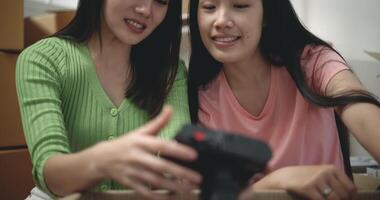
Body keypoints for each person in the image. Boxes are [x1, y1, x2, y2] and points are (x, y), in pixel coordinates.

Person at [186, 0, 380, 199]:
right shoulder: (201, 96)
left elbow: (356, 105)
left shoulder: (313, 62)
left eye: (240, 5)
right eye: (209, 7)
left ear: (266, 15)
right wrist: (278, 180)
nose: (221, 21)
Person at [16, 0, 201, 199]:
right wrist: (100, 162)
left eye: (161, 1)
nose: (146, 10)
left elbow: (176, 159)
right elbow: (50, 174)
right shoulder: (43, 59)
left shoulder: (169, 72)